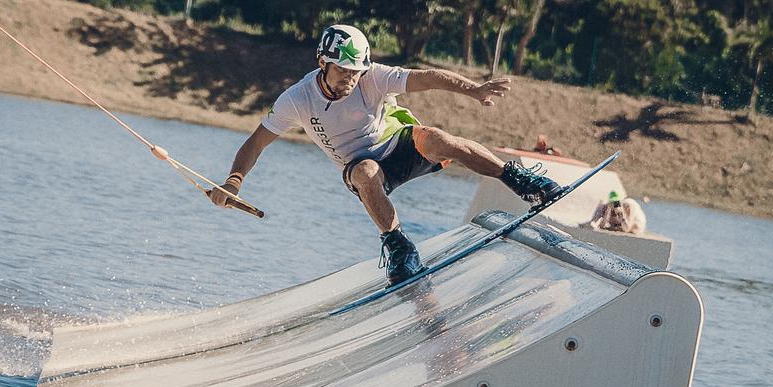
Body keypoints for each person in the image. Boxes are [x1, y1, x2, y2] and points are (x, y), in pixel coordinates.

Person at [210, 25, 561, 286]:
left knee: (438, 138)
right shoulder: (297, 99)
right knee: (364, 171)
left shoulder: (372, 78)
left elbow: (428, 78)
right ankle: (399, 247)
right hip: (362, 168)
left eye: (356, 71)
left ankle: (520, 180)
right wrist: (233, 182)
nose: (351, 78)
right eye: (343, 71)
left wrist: (475, 89)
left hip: (398, 144)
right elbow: (255, 143)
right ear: (323, 63)